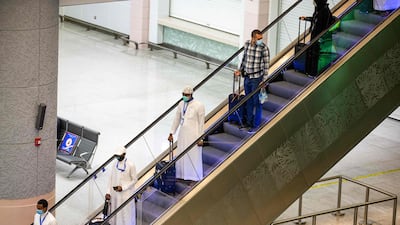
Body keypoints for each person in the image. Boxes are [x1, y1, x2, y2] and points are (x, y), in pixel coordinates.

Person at [234, 29, 270, 132]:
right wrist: (240, 71)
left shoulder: (264, 48)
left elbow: (266, 66)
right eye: (258, 39)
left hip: (257, 78)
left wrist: (264, 80)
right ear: (253, 38)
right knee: (248, 100)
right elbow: (244, 59)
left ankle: (256, 124)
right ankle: (248, 122)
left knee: (256, 102)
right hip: (247, 77)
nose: (260, 40)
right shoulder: (247, 44)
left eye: (261, 38)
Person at [168, 86, 205, 183]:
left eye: (187, 95)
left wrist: (201, 138)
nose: (185, 96)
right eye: (183, 95)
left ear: (191, 94)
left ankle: (194, 176)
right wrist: (172, 132)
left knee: (193, 155)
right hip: (183, 133)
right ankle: (182, 175)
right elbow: (177, 119)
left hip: (194, 134)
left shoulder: (199, 105)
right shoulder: (181, 104)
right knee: (182, 153)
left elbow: (201, 123)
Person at [105, 147, 137, 225]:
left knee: (126, 216)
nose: (117, 158)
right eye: (116, 156)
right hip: (115, 195)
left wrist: (123, 187)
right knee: (115, 214)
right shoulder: (114, 164)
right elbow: (111, 178)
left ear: (124, 154)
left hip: (126, 195)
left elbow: (134, 180)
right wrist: (108, 192)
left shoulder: (131, 165)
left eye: (119, 156)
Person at [302, 0, 334, 77]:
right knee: (311, 52)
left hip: (319, 36)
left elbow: (325, 25)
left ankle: (313, 73)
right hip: (314, 35)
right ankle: (309, 71)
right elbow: (315, 19)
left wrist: (321, 37)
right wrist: (306, 18)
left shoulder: (325, 11)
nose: (313, 2)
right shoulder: (318, 9)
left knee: (315, 54)